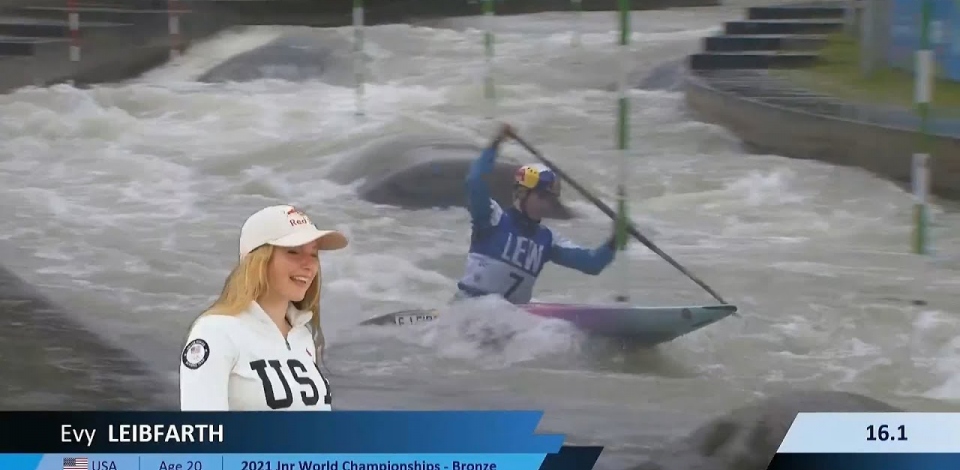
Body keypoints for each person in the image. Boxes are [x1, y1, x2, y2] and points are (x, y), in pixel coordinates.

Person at [179, 204, 348, 411]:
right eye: (293, 252)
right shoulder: (216, 332)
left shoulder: (301, 336)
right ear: (258, 261)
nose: (309, 265)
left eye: (313, 254)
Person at [454, 123, 626, 305]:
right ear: (521, 193)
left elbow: (593, 264)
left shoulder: (548, 240)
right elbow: (474, 181)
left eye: (552, 198)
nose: (549, 203)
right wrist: (496, 143)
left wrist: (615, 240)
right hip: (468, 309)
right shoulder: (491, 218)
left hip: (511, 320)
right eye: (542, 196)